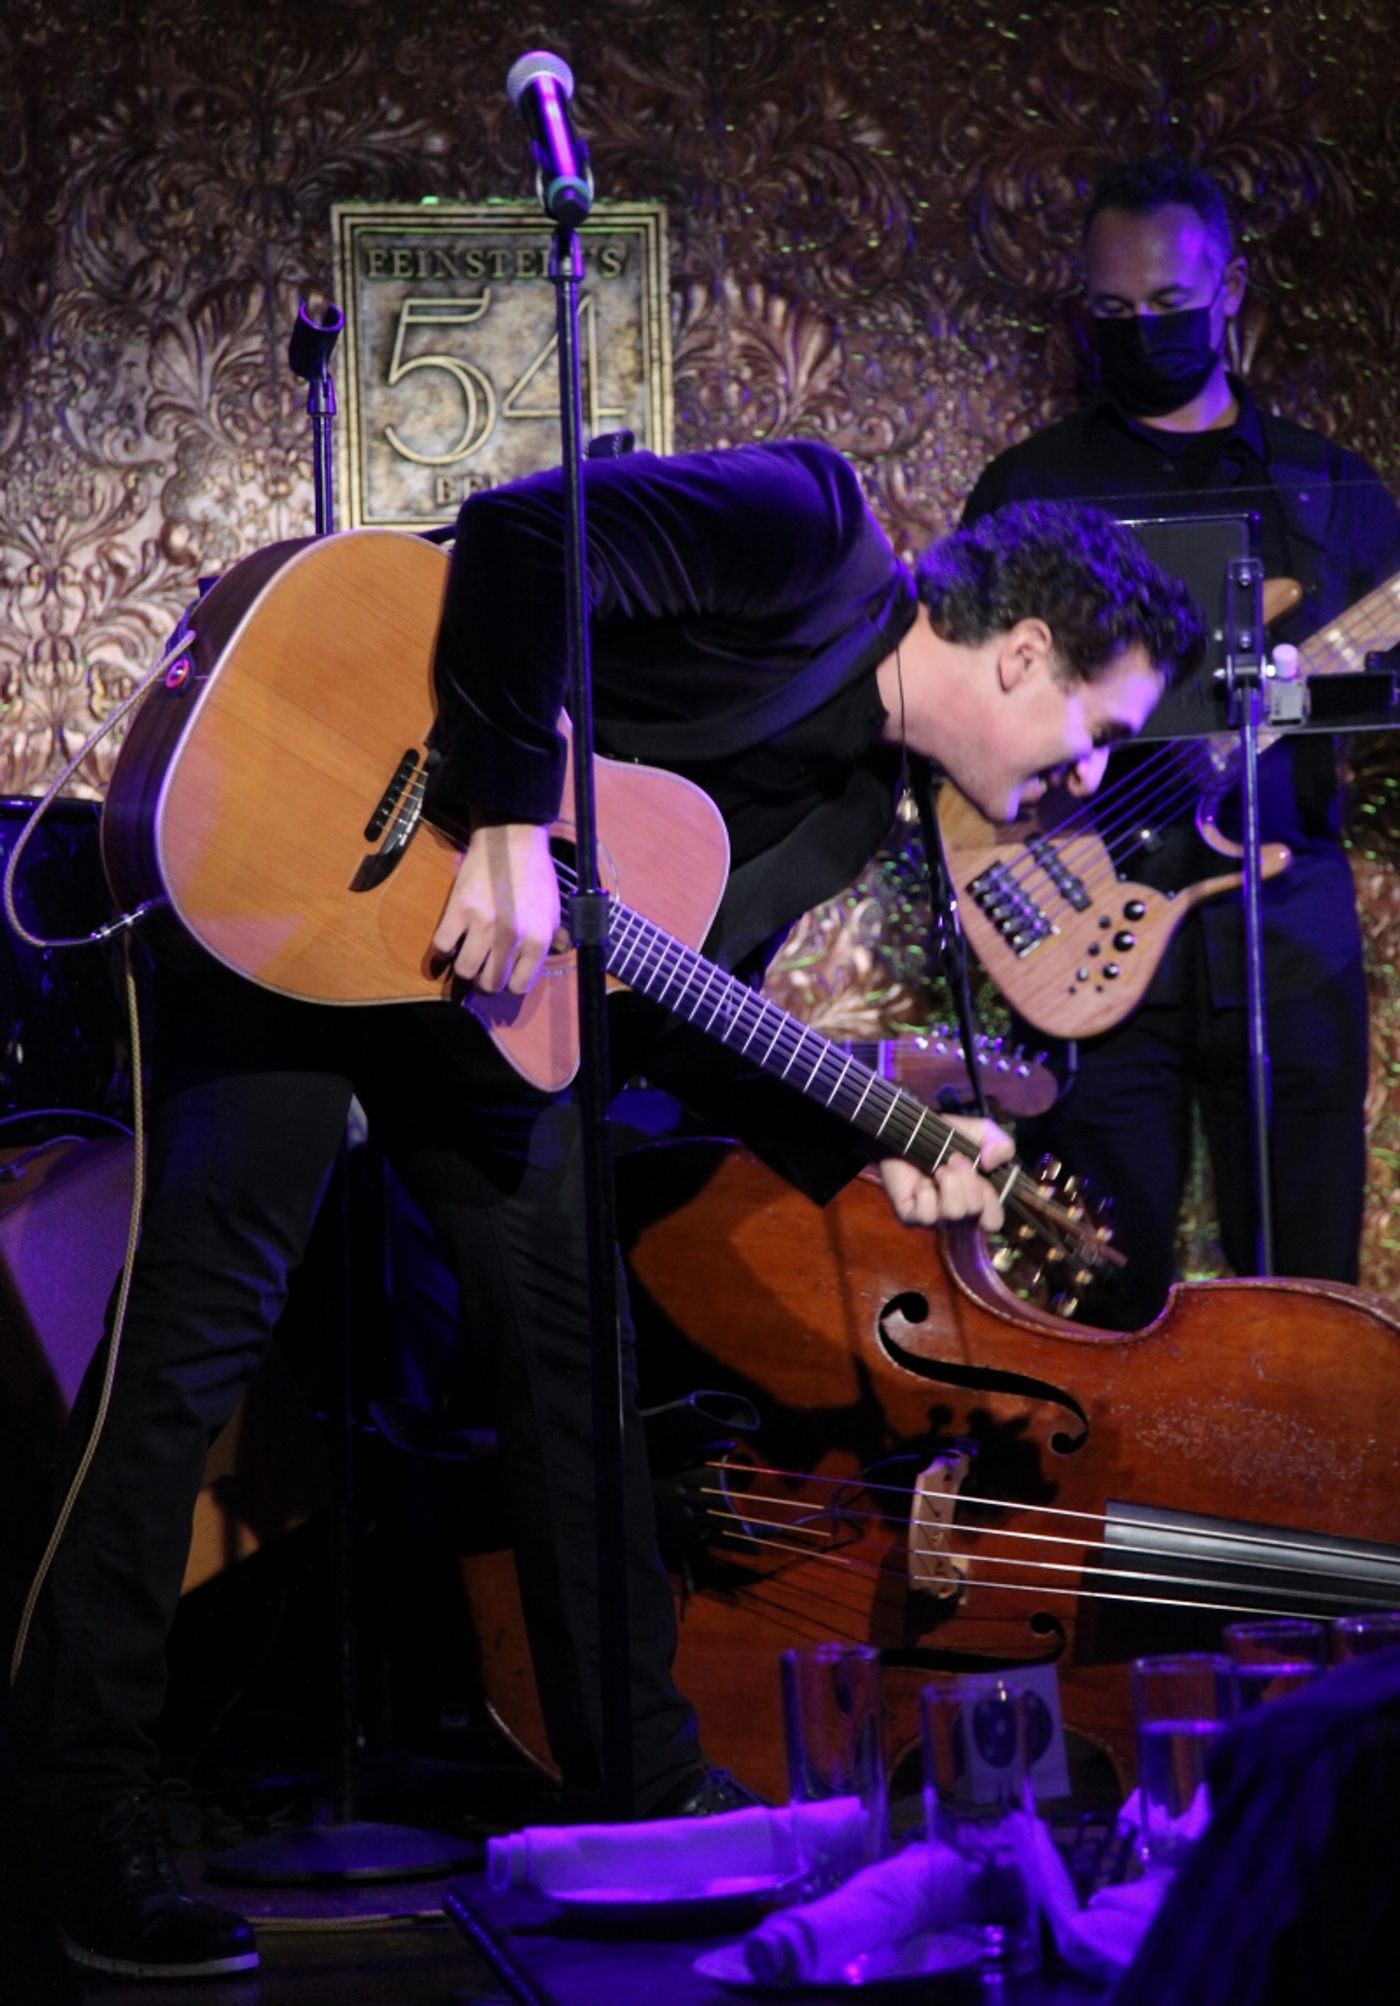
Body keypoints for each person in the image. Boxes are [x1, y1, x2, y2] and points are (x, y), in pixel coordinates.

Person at [2, 437, 1201, 1981]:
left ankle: (643, 1789)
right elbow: (521, 536)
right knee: (191, 1340)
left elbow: (660, 999)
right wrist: (507, 822)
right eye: (1102, 733)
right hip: (312, 859)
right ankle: (74, 1811)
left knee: (577, 1371)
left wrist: (871, 1138)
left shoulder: (848, 811)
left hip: (473, 1006)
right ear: (1025, 653)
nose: (1090, 781)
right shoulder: (807, 533)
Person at [962, 154, 1400, 1329]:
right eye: (1111, 310)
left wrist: (1294, 698)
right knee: (1097, 1284)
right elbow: (958, 706)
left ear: (1230, 290)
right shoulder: (1029, 488)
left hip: (1284, 928)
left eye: (1167, 304)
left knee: (1302, 1286)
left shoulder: (1329, 490)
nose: (1140, 328)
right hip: (1084, 923)